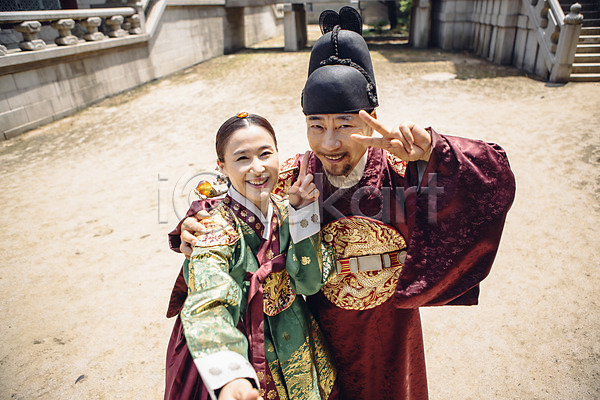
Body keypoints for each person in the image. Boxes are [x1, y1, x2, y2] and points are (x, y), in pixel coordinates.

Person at [170, 8, 516, 400]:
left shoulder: (404, 171)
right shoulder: (294, 178)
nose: (329, 143)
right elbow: (231, 203)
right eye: (316, 125)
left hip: (392, 330)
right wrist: (192, 226)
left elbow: (492, 182)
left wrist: (436, 151)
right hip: (317, 333)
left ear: (371, 120)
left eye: (345, 125)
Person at [164, 113, 338, 400]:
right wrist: (230, 375)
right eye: (242, 158)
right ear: (222, 166)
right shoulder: (212, 227)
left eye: (265, 154)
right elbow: (209, 297)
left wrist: (302, 214)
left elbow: (309, 283)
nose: (257, 168)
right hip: (238, 341)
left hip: (296, 337)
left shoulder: (286, 208)